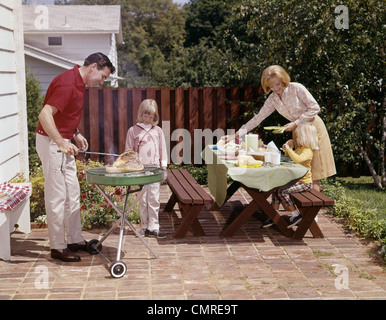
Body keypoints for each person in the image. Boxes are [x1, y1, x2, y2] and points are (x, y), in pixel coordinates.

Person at [36, 52, 115, 262]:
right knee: (57, 197)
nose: (102, 82)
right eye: (103, 77)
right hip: (53, 143)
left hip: (64, 142)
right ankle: (58, 246)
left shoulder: (79, 82)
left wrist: (75, 134)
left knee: (72, 193)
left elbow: (66, 113)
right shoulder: (68, 84)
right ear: (93, 68)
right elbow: (44, 115)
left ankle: (73, 239)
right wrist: (61, 142)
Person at [225, 65, 336, 190]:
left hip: (313, 129)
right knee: (302, 169)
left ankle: (314, 203)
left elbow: (315, 108)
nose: (275, 89)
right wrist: (236, 135)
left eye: (277, 84)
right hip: (298, 131)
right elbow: (258, 118)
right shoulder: (273, 99)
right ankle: (300, 204)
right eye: (271, 87)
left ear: (283, 79)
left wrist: (296, 123)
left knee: (315, 171)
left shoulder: (296, 88)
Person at [125, 99, 168, 239]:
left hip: (154, 169)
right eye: (146, 116)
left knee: (154, 198)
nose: (148, 119)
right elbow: (128, 151)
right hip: (140, 170)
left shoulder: (158, 131)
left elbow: (163, 149)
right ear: (140, 114)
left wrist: (164, 167)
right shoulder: (133, 131)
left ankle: (154, 227)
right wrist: (130, 167)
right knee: (142, 199)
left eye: (152, 117)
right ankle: (144, 226)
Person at [263, 123, 318, 228]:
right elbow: (290, 157)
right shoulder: (301, 148)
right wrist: (288, 149)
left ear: (304, 137)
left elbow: (297, 159)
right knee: (276, 189)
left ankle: (296, 215)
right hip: (296, 181)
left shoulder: (307, 150)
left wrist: (289, 150)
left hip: (304, 183)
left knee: (282, 191)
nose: (296, 138)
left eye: (298, 136)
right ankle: (273, 214)